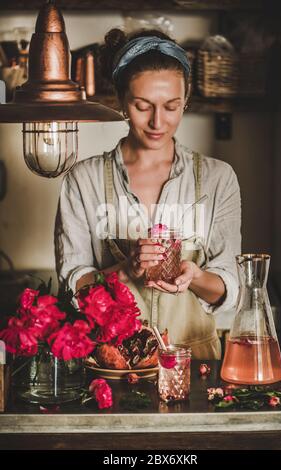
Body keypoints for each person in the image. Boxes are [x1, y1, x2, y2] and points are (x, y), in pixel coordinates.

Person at [54, 28, 242, 359]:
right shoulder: (84, 180)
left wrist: (194, 276)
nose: (158, 121)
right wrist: (125, 271)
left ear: (186, 99)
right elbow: (72, 288)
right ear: (122, 99)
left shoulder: (217, 179)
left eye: (171, 106)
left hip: (192, 364)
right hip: (111, 366)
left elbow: (228, 288)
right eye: (143, 105)